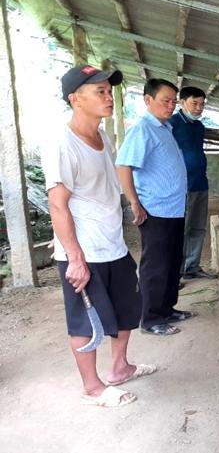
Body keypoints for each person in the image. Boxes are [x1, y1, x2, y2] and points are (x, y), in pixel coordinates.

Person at [43, 64, 157, 408]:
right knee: (84, 321)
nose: (109, 97)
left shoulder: (102, 136)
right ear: (76, 99)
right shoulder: (62, 144)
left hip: (113, 245)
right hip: (84, 251)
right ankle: (92, 388)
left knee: (127, 309)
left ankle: (120, 367)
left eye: (109, 91)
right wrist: (74, 258)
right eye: (100, 93)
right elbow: (57, 205)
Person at [116, 79, 192, 336]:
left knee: (172, 262)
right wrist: (134, 202)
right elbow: (124, 166)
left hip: (173, 208)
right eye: (165, 100)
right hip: (155, 210)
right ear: (148, 100)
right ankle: (150, 319)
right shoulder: (142, 130)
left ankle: (167, 309)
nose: (170, 106)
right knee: (156, 265)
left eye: (173, 101)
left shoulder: (165, 128)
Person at [170, 86, 217, 280]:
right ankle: (176, 272)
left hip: (200, 182)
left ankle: (192, 266)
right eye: (194, 103)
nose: (199, 108)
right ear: (182, 103)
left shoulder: (199, 127)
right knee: (180, 229)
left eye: (202, 104)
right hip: (181, 186)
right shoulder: (171, 124)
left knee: (197, 226)